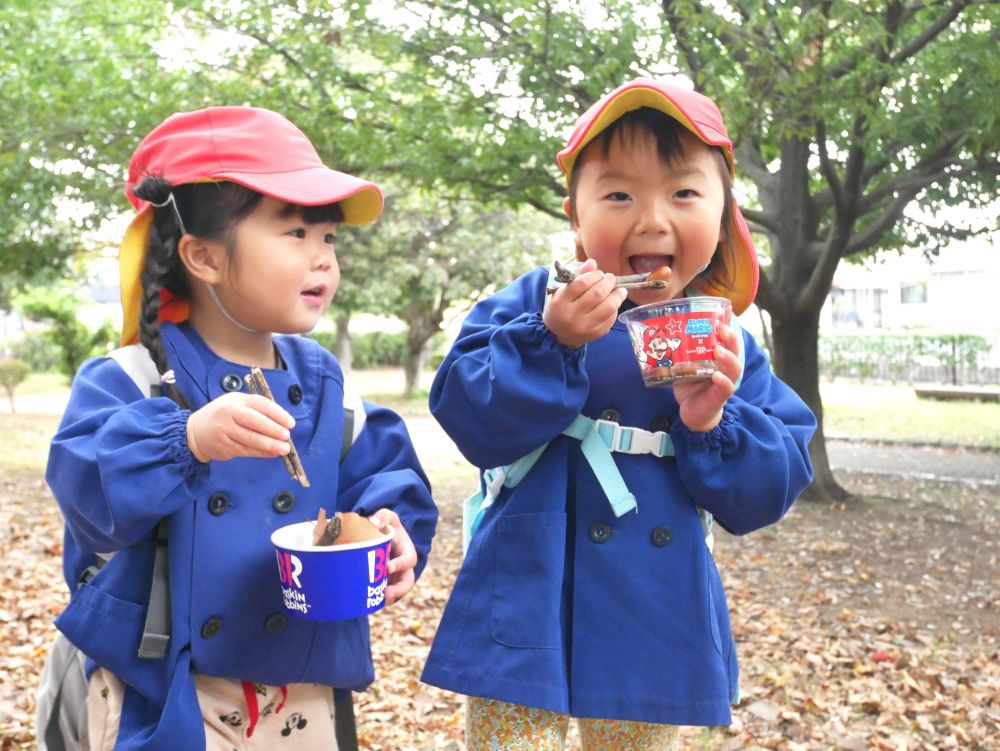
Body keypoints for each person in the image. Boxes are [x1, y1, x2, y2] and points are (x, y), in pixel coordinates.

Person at [421, 78, 816, 750]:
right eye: (619, 194)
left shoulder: (726, 343)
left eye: (684, 193)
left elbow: (769, 486)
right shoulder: (533, 303)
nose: (652, 219)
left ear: (723, 214)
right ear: (575, 214)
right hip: (527, 592)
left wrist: (707, 424)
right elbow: (465, 412)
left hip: (653, 610)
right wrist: (551, 343)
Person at [46, 106, 438, 751]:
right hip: (165, 687)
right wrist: (188, 439)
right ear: (204, 256)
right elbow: (87, 491)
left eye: (330, 239)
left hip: (304, 687)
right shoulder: (134, 376)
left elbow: (383, 475)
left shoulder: (327, 386)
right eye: (296, 233)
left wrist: (390, 529)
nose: (323, 259)